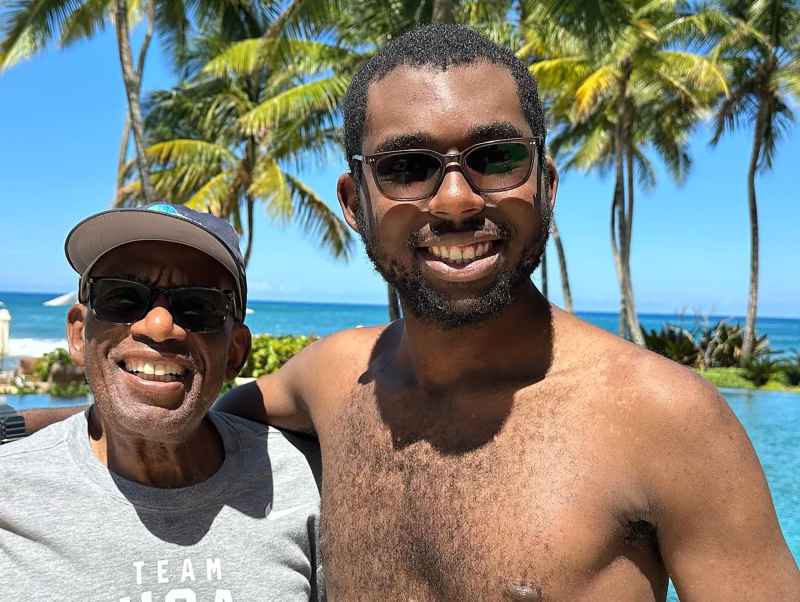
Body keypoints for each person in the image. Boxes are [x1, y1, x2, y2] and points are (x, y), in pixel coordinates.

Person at [14, 25, 799, 601]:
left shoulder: (666, 421)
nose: (456, 200)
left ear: (547, 185)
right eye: (408, 168)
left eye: (496, 158)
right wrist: (19, 426)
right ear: (356, 202)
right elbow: (176, 405)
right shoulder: (333, 379)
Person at [0, 204, 324, 601]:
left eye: (197, 306)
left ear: (235, 353)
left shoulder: (303, 481)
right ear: (78, 334)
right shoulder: (10, 491)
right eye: (122, 297)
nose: (158, 326)